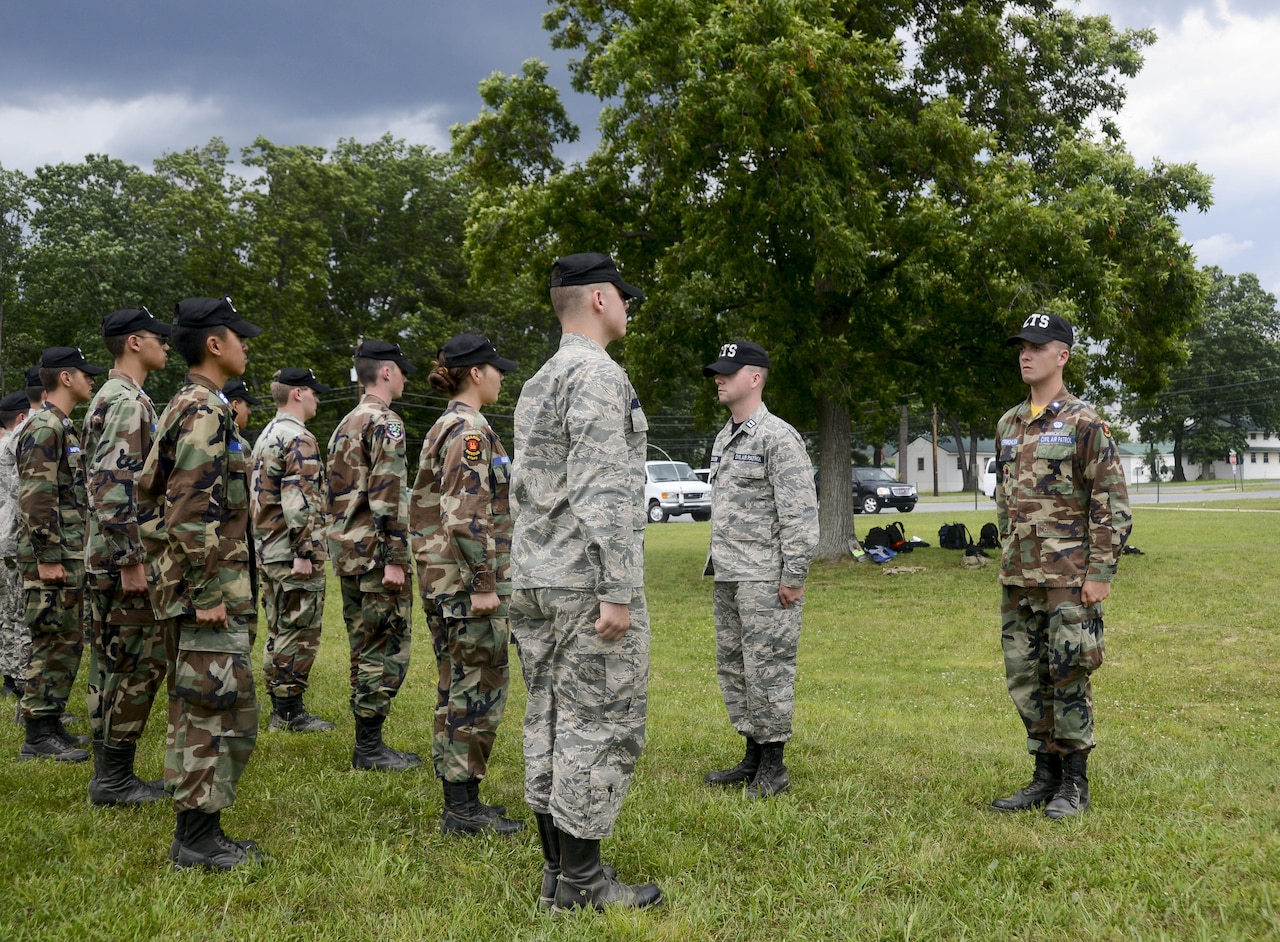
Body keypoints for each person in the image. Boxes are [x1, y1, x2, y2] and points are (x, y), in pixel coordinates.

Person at [510, 252, 662, 912]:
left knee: (548, 716)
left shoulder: (541, 379)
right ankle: (582, 882)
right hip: (581, 582)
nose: (628, 306)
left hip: (536, 576)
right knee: (597, 723)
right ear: (598, 299)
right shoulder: (597, 377)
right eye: (623, 295)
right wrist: (617, 589)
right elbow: (604, 491)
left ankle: (555, 871)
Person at [138, 295, 266, 869]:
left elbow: (153, 500)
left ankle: (201, 830)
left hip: (194, 586)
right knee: (214, 712)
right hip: (204, 592)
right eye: (238, 336)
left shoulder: (192, 404)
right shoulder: (204, 410)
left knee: (208, 708)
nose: (246, 345)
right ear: (214, 344)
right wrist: (208, 594)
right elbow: (189, 510)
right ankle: (196, 838)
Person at [991, 312, 1131, 820]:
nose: (1025, 353)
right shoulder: (1009, 423)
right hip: (1019, 574)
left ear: (1062, 355)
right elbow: (1006, 499)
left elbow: (1110, 500)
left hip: (1068, 575)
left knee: (1069, 671)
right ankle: (1043, 774)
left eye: (1036, 345)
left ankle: (1075, 782)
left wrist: (1100, 572)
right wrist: (1007, 549)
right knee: (1026, 676)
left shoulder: (1085, 422)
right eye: (1020, 346)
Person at [410, 334, 522, 836]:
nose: (501, 375)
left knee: (461, 687)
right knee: (474, 691)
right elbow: (466, 515)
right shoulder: (467, 430)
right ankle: (461, 810)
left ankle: (464, 800)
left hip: (450, 584)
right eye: (495, 368)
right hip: (466, 588)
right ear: (475, 372)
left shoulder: (452, 425)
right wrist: (483, 583)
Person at [700, 340, 818, 798]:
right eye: (718, 371)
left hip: (766, 578)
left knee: (768, 669)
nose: (719, 377)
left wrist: (793, 576)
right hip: (730, 573)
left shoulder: (778, 437)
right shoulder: (725, 436)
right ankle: (752, 753)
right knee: (735, 668)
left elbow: (801, 514)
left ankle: (775, 767)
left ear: (755, 378)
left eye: (728, 371)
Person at [81, 307, 171, 805]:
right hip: (122, 560)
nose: (166, 344)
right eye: (158, 337)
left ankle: (108, 773)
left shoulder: (117, 397)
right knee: (136, 664)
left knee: (111, 662)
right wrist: (133, 559)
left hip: (107, 554)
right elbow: (113, 486)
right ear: (134, 342)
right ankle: (114, 778)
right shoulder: (127, 403)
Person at [327, 340, 419, 771]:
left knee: (363, 647)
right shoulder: (386, 423)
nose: (404, 377)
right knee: (386, 648)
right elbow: (388, 495)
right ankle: (369, 747)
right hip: (376, 556)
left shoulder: (346, 422)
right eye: (401, 370)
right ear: (385, 372)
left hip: (349, 552)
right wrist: (396, 558)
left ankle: (368, 742)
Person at [16, 346, 104, 761]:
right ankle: (36, 734)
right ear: (65, 377)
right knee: (52, 639)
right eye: (85, 373)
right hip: (50, 556)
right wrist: (48, 554)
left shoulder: (61, 426)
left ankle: (50, 723)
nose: (91, 379)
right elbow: (37, 496)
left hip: (67, 552)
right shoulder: (44, 427)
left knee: (66, 639)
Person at [250, 367, 335, 733]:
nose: (318, 398)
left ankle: (279, 703)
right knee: (298, 630)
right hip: (291, 552)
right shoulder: (299, 438)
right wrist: (304, 551)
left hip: (268, 549)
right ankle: (288, 712)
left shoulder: (266, 434)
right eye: (313, 391)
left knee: (279, 627)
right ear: (298, 393)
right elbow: (298, 500)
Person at [0, 387, 35, 702]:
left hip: (4, 541)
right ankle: (24, 683)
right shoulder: (14, 445)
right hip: (14, 540)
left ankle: (11, 677)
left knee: (9, 614)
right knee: (23, 616)